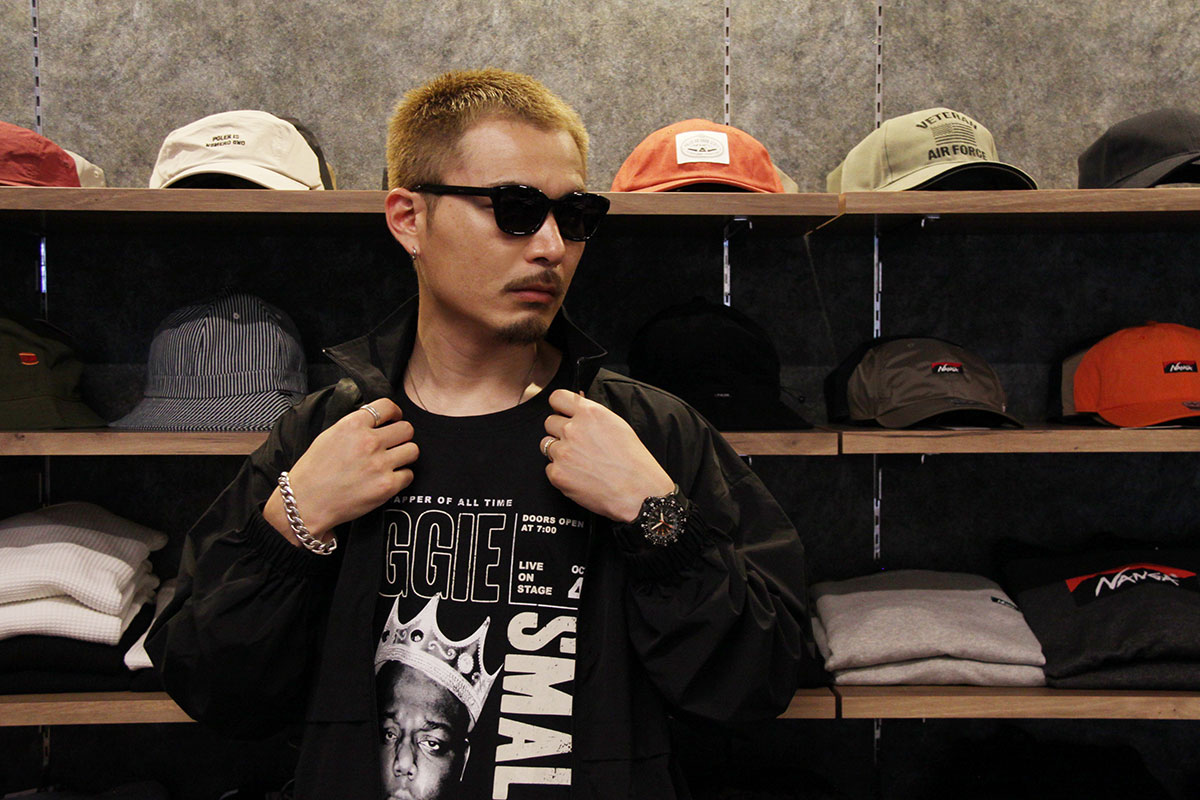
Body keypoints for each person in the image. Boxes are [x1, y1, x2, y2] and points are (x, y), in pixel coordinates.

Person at [147, 68, 812, 800]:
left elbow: (759, 683)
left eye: (575, 214)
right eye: (515, 209)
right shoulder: (324, 435)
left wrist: (657, 519)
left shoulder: (648, 432)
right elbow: (215, 691)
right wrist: (291, 529)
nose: (552, 246)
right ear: (409, 218)